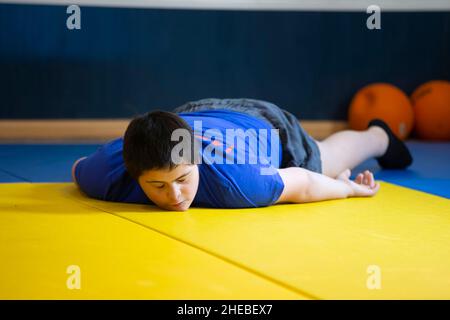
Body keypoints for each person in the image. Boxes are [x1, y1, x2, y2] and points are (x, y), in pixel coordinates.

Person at [72, 98, 413, 211]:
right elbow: (78, 168)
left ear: (197, 163)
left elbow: (305, 184)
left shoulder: (238, 180)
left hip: (260, 122)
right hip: (194, 114)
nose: (174, 196)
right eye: (157, 186)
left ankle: (379, 136)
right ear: (134, 175)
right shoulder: (105, 171)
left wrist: (351, 189)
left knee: (324, 158)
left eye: (182, 179)